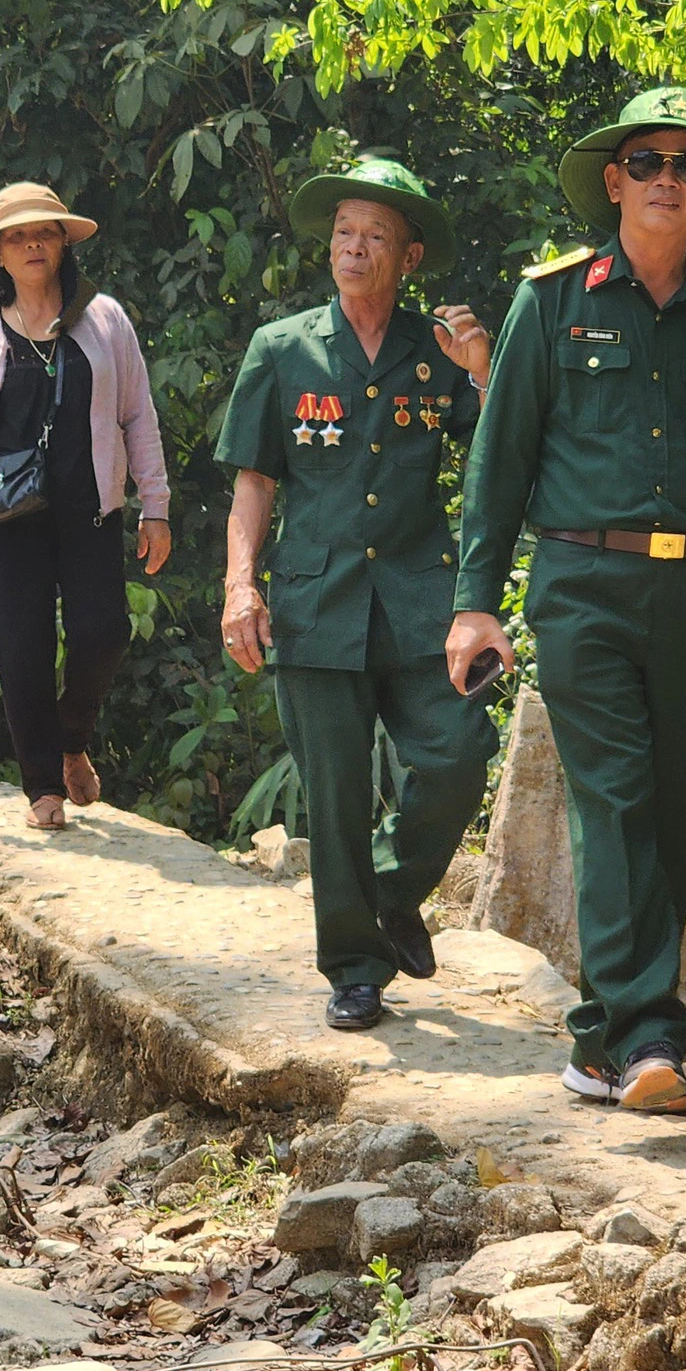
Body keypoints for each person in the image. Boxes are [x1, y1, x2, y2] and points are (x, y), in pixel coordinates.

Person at [449, 86, 686, 1114]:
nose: (668, 177)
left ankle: (594, 1042)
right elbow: (502, 458)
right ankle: (652, 1040)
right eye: (648, 161)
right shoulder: (553, 300)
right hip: (580, 585)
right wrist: (473, 602)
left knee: (666, 819)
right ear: (615, 182)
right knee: (614, 799)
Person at [215, 159, 499, 1031]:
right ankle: (354, 968)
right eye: (343, 231)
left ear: (408, 257)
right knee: (334, 792)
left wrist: (482, 370)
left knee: (458, 749)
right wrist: (239, 586)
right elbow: (254, 483)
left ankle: (391, 889)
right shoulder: (283, 347)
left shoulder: (437, 349)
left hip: (421, 603)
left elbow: (498, 460)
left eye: (374, 235)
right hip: (315, 600)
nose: (352, 246)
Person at [0, 184, 171, 829]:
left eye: (46, 232)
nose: (33, 243)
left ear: (63, 244)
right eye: (17, 235)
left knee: (102, 634)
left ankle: (72, 741)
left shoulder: (105, 320)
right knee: (21, 650)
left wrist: (156, 506)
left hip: (91, 509)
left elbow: (138, 416)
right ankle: (41, 786)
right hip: (6, 519)